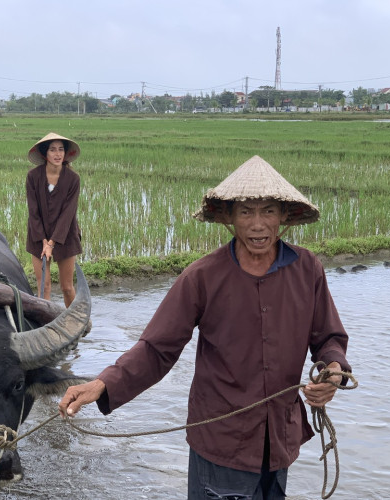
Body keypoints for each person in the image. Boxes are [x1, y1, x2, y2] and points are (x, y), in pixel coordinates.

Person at [59, 155, 352, 499]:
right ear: (228, 217)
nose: (258, 224)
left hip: (279, 440)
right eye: (246, 212)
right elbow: (157, 349)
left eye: (268, 211)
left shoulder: (307, 270)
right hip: (220, 439)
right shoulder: (202, 276)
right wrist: (102, 383)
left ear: (284, 216)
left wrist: (333, 370)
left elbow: (328, 337)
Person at [26, 132, 82, 307]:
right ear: (45, 154)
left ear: (65, 154)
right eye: (52, 150)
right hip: (38, 237)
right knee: (44, 286)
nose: (57, 154)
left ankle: (74, 322)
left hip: (65, 236)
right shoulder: (33, 177)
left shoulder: (73, 179)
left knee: (67, 287)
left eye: (60, 150)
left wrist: (52, 243)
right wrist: (43, 241)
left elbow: (68, 214)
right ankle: (46, 324)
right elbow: (33, 212)